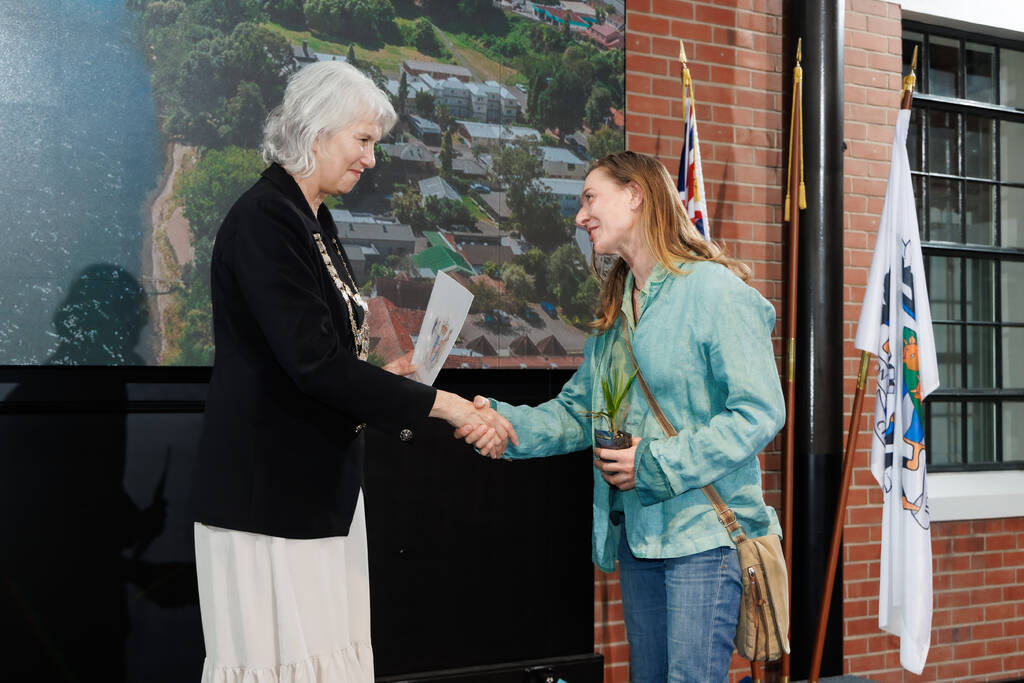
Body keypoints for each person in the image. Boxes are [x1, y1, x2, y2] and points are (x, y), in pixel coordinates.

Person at [189, 61, 515, 683]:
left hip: (312, 491)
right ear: (316, 131)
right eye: (363, 141)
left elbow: (321, 357)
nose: (371, 159)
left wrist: (388, 374)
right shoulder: (266, 220)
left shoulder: (314, 220)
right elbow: (314, 367)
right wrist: (444, 406)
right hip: (270, 500)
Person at [458, 151, 785, 682]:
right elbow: (575, 414)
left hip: (706, 541)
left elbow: (760, 412)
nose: (580, 216)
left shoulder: (715, 292)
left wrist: (653, 464)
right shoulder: (617, 313)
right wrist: (498, 421)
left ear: (636, 194)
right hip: (640, 541)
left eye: (590, 197)